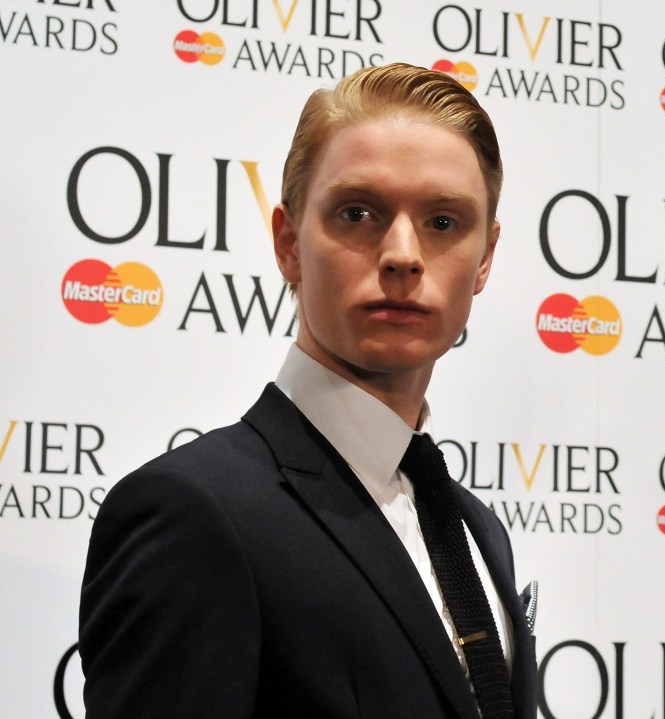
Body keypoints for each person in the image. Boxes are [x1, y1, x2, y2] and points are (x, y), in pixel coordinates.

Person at [79, 63, 538, 718]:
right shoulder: (194, 513)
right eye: (358, 213)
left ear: (485, 258)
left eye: (443, 222)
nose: (403, 254)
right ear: (289, 242)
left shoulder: (475, 528)